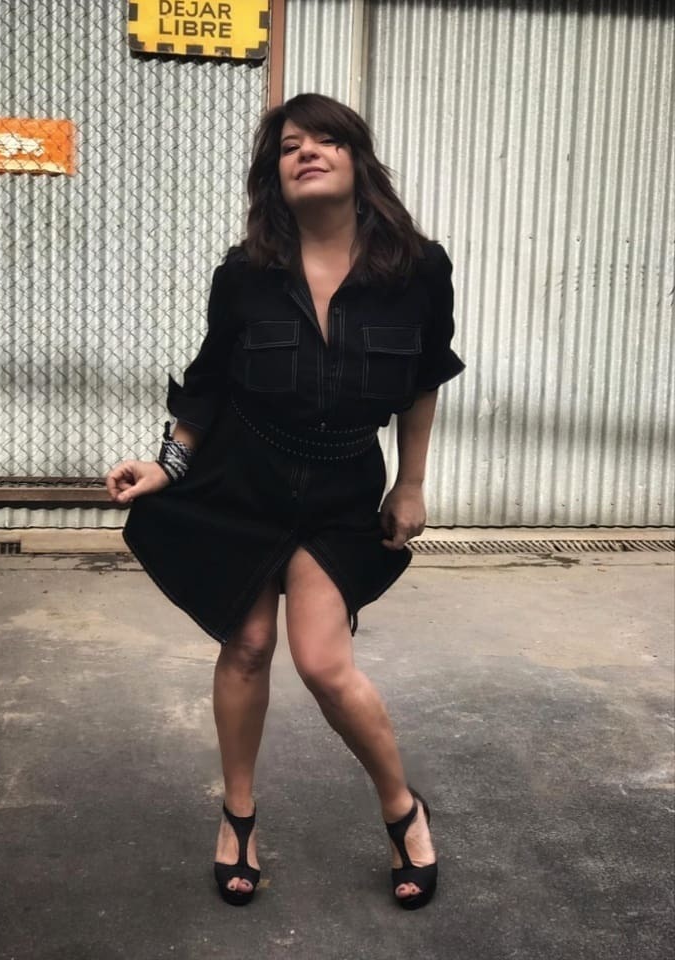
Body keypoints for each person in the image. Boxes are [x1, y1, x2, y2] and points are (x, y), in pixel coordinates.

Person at [106, 93, 464, 910]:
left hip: (341, 486)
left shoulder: (418, 268)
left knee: (325, 665)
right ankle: (238, 816)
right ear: (275, 175)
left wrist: (411, 483)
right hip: (244, 478)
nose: (307, 151)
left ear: (356, 160)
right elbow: (207, 385)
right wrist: (166, 465)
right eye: (290, 143)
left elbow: (423, 380)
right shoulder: (245, 274)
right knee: (247, 645)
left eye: (326, 139)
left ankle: (403, 808)